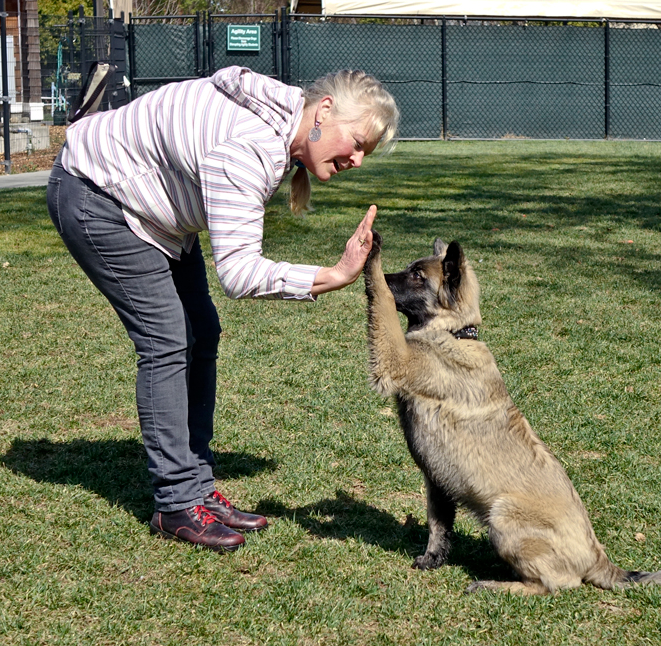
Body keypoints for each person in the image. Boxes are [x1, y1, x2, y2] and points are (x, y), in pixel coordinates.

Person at [46, 66, 400, 552]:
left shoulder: (282, 118)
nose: (358, 159)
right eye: (357, 143)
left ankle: (196, 486)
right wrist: (334, 276)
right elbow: (239, 274)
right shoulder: (250, 147)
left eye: (366, 153)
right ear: (323, 111)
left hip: (159, 212)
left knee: (202, 332)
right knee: (166, 340)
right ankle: (175, 502)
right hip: (97, 196)